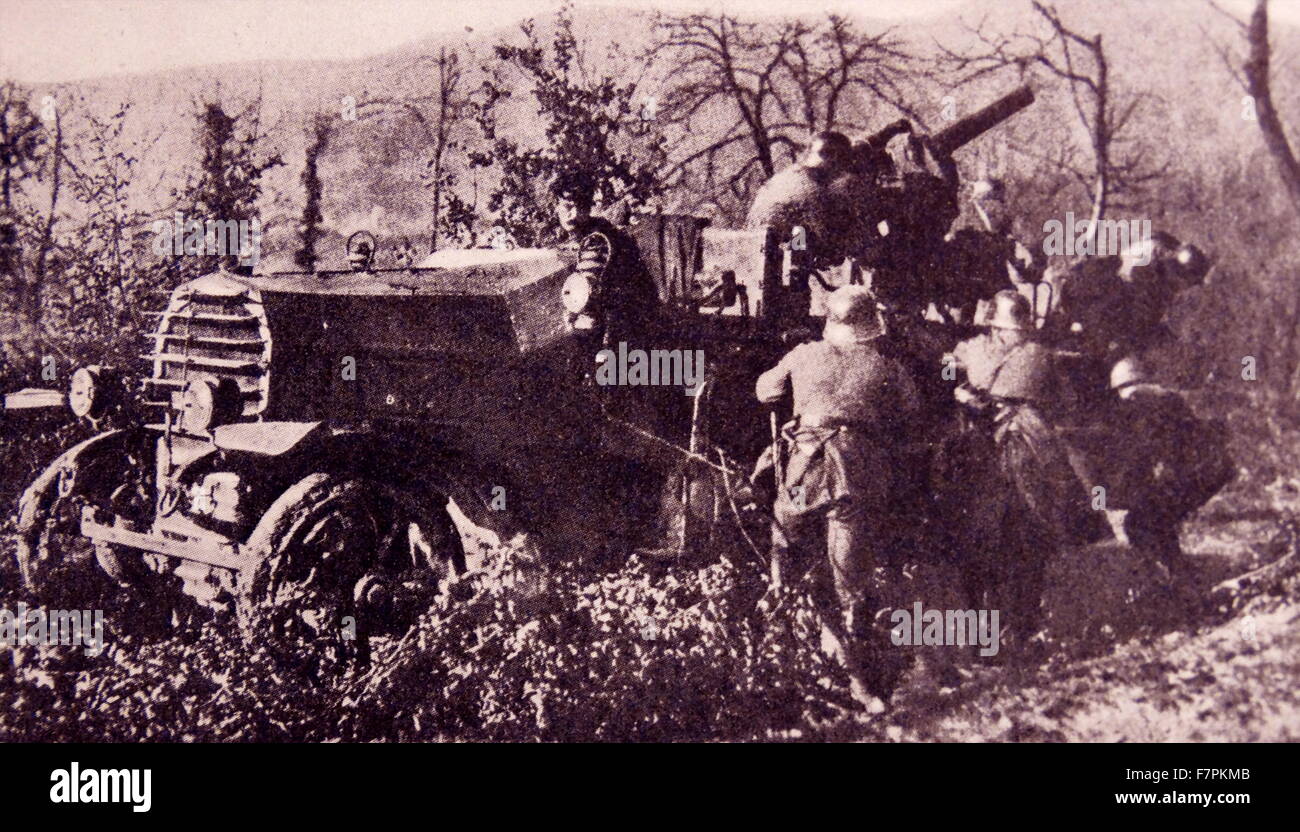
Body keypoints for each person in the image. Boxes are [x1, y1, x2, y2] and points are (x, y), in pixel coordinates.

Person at [756, 284, 920, 710]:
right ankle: (862, 665)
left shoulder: (803, 353)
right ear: (869, 326)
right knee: (852, 575)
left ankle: (781, 607)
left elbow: (764, 391)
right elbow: (910, 412)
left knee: (783, 538)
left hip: (807, 466)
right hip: (858, 472)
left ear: (829, 321)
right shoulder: (887, 365)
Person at [939, 290, 1104, 652]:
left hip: (980, 442)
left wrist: (959, 390)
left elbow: (945, 370)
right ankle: (1021, 629)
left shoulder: (972, 348)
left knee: (966, 532)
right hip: (1032, 443)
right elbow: (1067, 403)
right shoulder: (1043, 353)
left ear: (994, 325)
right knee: (1039, 529)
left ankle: (981, 636)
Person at [1103, 356, 1234, 584]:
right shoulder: (1165, 397)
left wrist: (1109, 496)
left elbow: (1151, 454)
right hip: (1209, 470)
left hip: (1195, 472)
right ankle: (1177, 572)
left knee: (1141, 521)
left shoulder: (1141, 401)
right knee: (1153, 517)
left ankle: (1174, 578)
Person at [551, 170, 659, 348]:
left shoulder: (597, 240)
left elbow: (585, 296)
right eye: (568, 206)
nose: (574, 214)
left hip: (621, 332)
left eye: (582, 207)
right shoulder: (594, 231)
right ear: (557, 206)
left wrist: (572, 317)